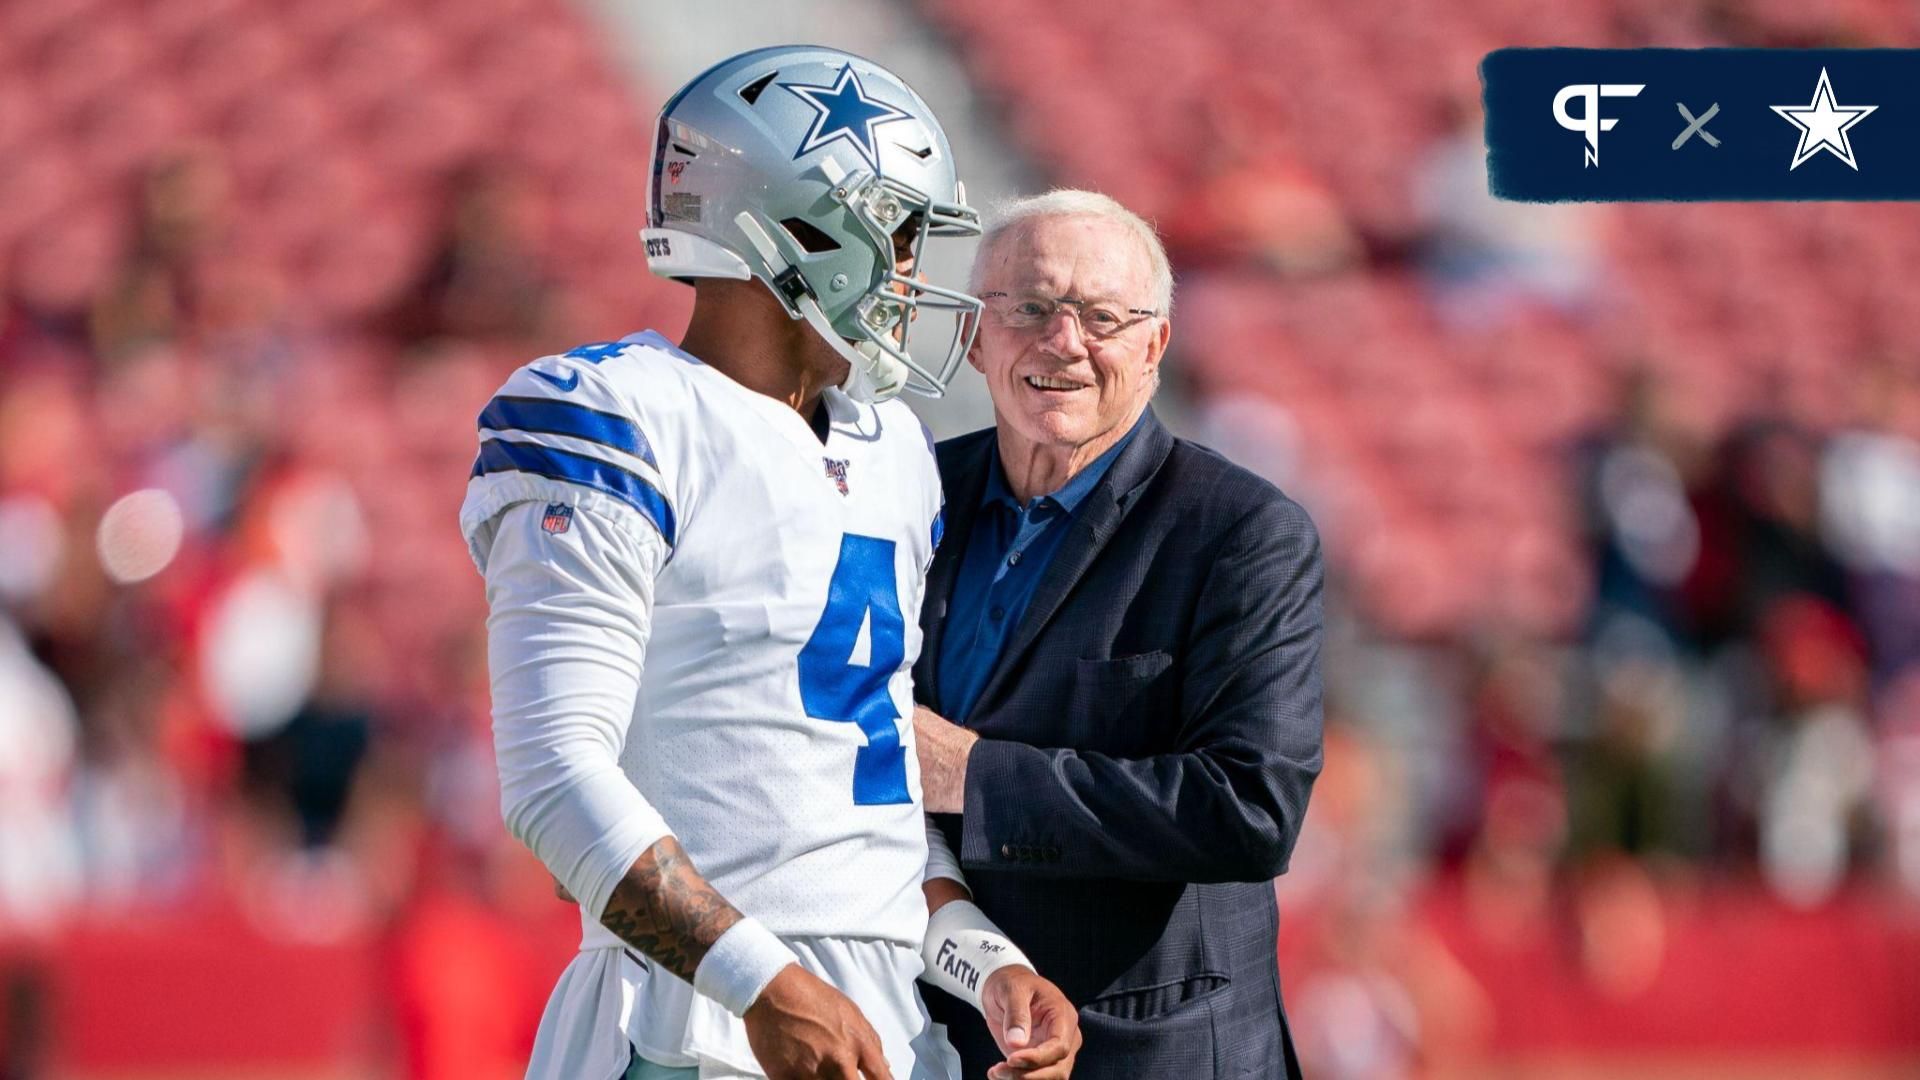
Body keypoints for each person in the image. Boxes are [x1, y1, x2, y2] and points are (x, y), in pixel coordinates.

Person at [459, 48, 1079, 1080]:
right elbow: (553, 775)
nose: (916, 276)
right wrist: (760, 983)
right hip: (689, 1019)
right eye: (901, 234)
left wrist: (986, 965)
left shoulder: (892, 453)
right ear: (803, 230)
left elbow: (851, 795)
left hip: (872, 1021)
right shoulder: (619, 415)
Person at [912, 190, 1325, 1078]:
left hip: (1153, 1055)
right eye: (1029, 308)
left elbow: (1249, 812)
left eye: (1102, 316)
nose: (1063, 342)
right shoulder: (908, 495)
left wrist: (972, 775)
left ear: (1154, 348)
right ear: (974, 336)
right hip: (934, 1042)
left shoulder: (1241, 532)